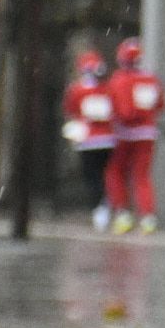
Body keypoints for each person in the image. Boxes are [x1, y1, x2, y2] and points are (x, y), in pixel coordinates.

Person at [105, 38, 164, 233]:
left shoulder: (119, 79)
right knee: (142, 176)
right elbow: (160, 104)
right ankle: (147, 217)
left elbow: (118, 109)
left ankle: (123, 214)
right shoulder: (150, 79)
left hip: (123, 134)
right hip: (147, 134)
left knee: (116, 172)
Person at [61, 50, 120, 231]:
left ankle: (100, 207)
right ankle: (111, 205)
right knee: (107, 175)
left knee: (92, 176)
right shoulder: (108, 89)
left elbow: (70, 110)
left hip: (88, 141)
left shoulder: (78, 90)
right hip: (108, 140)